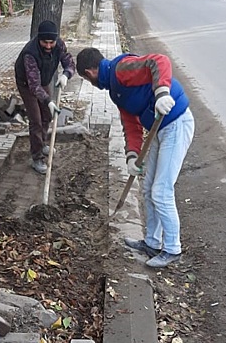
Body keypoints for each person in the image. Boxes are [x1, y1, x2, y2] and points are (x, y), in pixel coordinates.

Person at [76, 48, 195, 268]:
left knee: (161, 190)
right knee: (149, 188)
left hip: (176, 123)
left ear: (90, 72)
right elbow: (130, 124)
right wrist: (132, 156)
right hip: (160, 130)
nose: (90, 81)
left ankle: (172, 249)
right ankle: (151, 242)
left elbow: (159, 62)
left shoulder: (121, 70)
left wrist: (162, 93)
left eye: (86, 78)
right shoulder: (115, 89)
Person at [14, 20, 75, 174]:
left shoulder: (59, 44)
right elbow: (34, 86)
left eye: (51, 42)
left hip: (44, 80)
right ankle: (37, 157)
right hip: (27, 83)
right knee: (36, 119)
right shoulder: (30, 53)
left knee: (47, 115)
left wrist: (66, 74)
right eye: (44, 42)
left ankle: (42, 143)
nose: (48, 46)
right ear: (39, 39)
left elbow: (69, 62)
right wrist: (47, 100)